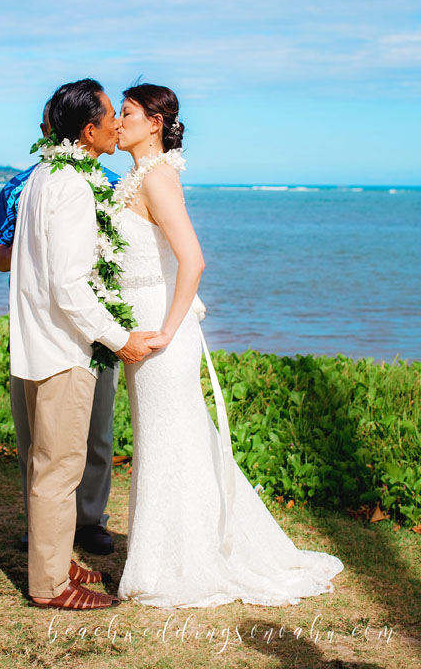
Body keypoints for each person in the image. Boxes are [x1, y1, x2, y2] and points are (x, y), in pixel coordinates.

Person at [113, 83, 344, 607]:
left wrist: (170, 330)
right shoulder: (133, 179)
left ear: (153, 122)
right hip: (142, 325)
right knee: (163, 441)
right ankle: (164, 551)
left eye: (126, 113)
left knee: (175, 440)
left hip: (160, 331)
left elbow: (192, 260)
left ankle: (185, 560)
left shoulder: (160, 178)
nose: (117, 121)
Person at [9, 78, 155, 610]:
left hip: (34, 342)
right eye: (113, 115)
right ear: (89, 129)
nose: (120, 123)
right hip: (61, 350)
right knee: (59, 467)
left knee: (46, 463)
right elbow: (69, 285)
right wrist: (119, 339)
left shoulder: (46, 174)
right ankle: (49, 586)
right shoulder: (71, 186)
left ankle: (51, 559)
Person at [0, 102, 120, 556]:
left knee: (96, 431)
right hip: (43, 328)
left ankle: (87, 520)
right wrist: (38, 251)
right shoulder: (22, 185)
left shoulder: (114, 186)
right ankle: (45, 528)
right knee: (39, 439)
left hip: (96, 326)